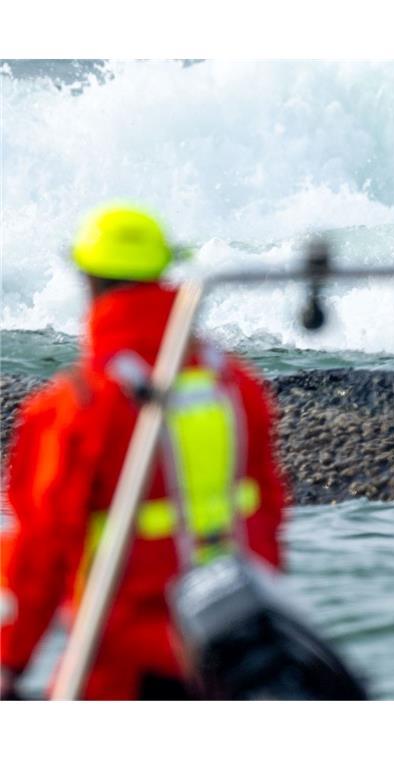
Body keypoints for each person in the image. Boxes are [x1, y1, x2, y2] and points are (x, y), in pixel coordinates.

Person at [0, 204, 289, 699]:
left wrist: (9, 660)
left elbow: (37, 553)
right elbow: (268, 513)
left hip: (121, 661)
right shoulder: (235, 385)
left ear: (89, 282)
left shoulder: (77, 404)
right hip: (235, 651)